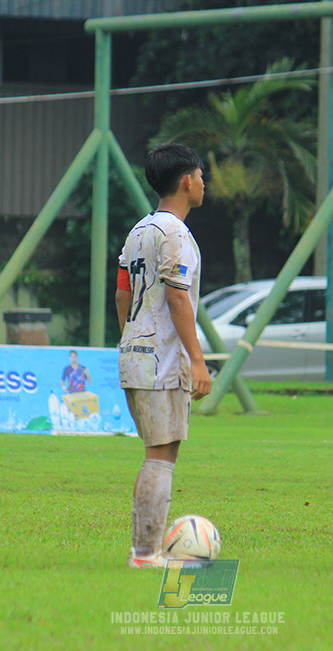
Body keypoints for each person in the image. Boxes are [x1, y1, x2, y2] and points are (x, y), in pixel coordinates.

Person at [114, 143, 212, 569]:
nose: (205, 183)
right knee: (161, 454)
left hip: (136, 354)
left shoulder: (139, 230)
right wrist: (197, 358)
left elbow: (121, 291)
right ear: (187, 181)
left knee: (158, 451)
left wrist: (131, 339)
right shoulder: (175, 234)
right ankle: (146, 554)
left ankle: (144, 550)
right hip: (161, 360)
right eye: (202, 176)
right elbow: (177, 298)